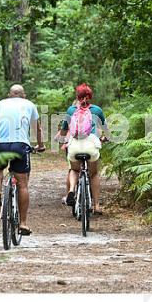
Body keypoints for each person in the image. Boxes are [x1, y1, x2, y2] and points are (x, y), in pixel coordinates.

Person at [0, 84, 45, 235]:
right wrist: (40, 145)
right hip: (20, 145)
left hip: (0, 144)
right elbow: (37, 129)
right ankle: (23, 224)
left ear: (9, 95)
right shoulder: (29, 105)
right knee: (23, 185)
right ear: (24, 95)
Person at [59, 83, 107, 215]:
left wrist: (63, 139)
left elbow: (63, 132)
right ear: (90, 96)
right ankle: (96, 205)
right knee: (94, 174)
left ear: (77, 96)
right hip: (91, 146)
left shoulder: (70, 110)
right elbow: (106, 130)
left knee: (74, 169)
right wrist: (104, 138)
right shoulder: (97, 110)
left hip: (74, 146)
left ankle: (71, 191)